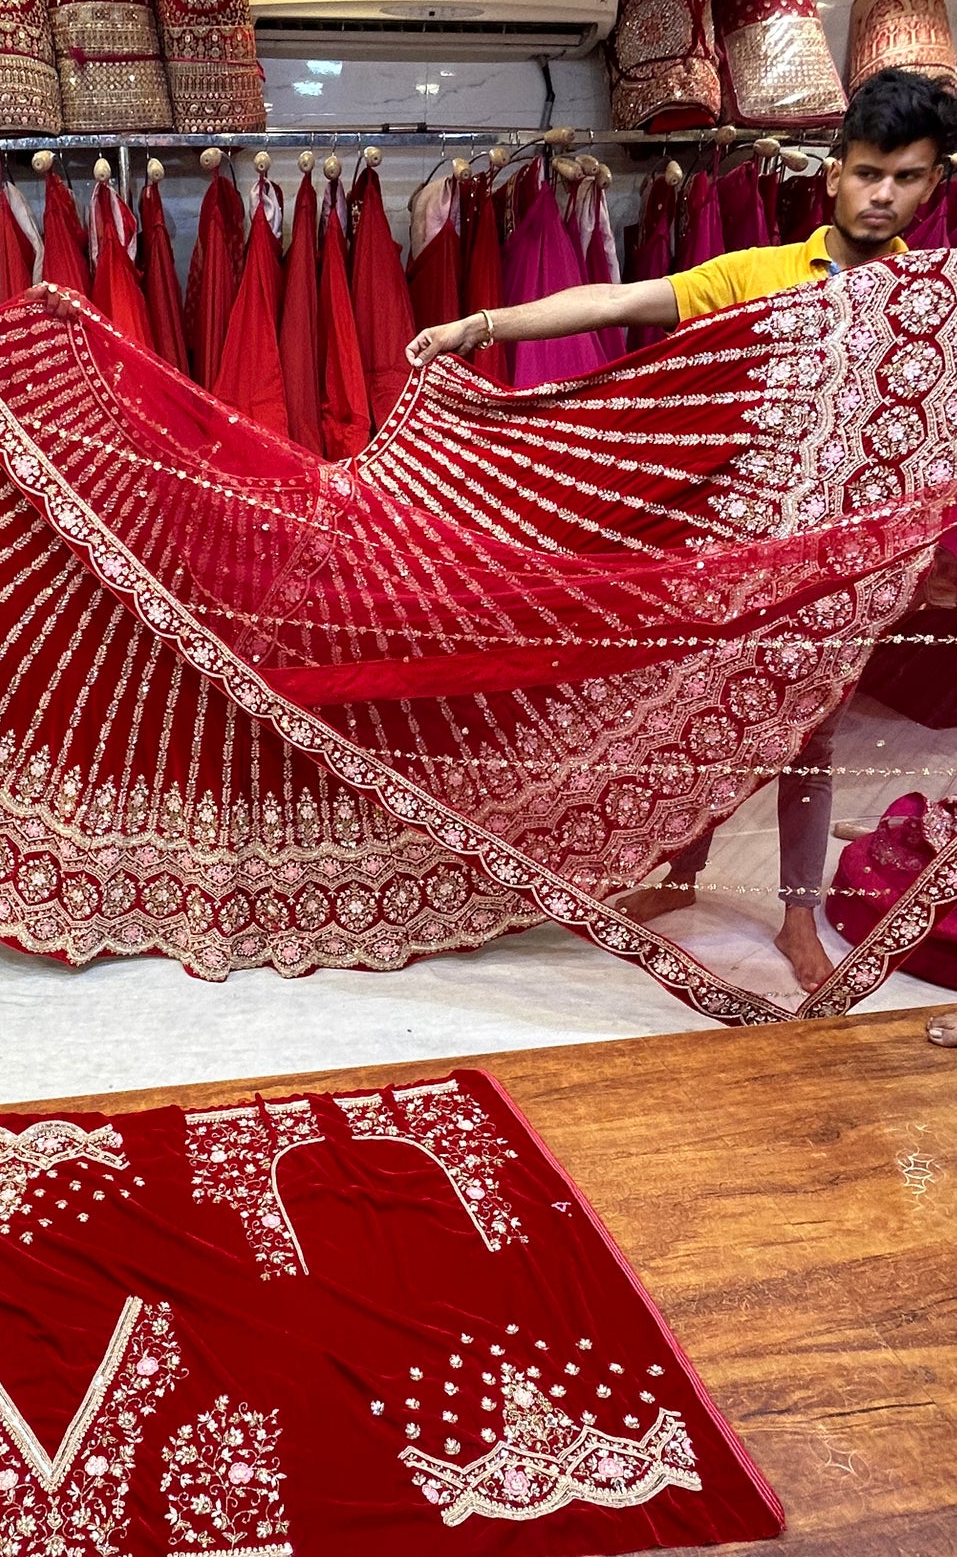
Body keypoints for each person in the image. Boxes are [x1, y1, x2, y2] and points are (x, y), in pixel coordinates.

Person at [408, 68, 957, 993]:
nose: (882, 195)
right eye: (868, 173)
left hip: (848, 564)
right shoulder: (763, 275)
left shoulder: (927, 301)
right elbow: (619, 300)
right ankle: (679, 876)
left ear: (933, 183)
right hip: (739, 544)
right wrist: (482, 322)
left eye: (906, 178)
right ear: (831, 174)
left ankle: (795, 915)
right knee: (712, 712)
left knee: (809, 736)